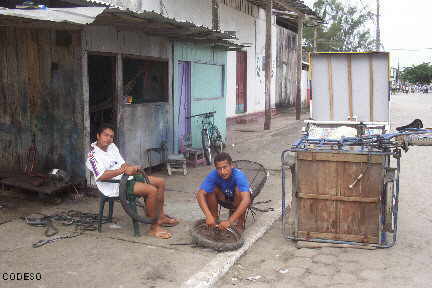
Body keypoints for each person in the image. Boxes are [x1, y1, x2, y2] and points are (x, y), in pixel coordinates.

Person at [86, 123, 178, 239]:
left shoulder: (112, 146)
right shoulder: (92, 156)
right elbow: (101, 176)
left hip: (125, 177)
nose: (109, 139)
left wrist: (129, 168)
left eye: (111, 136)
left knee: (160, 182)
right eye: (106, 135)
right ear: (98, 136)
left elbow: (122, 163)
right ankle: (154, 228)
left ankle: (160, 216)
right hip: (113, 186)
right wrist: (122, 171)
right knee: (152, 190)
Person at [196, 152, 251, 232]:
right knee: (210, 190)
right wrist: (208, 215)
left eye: (225, 167)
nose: (222, 172)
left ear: (231, 165)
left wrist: (229, 221)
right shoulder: (213, 175)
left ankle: (240, 224)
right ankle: (215, 219)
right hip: (225, 196)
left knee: (239, 191)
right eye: (219, 168)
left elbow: (246, 200)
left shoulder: (239, 176)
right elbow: (200, 194)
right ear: (216, 168)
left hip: (238, 198)